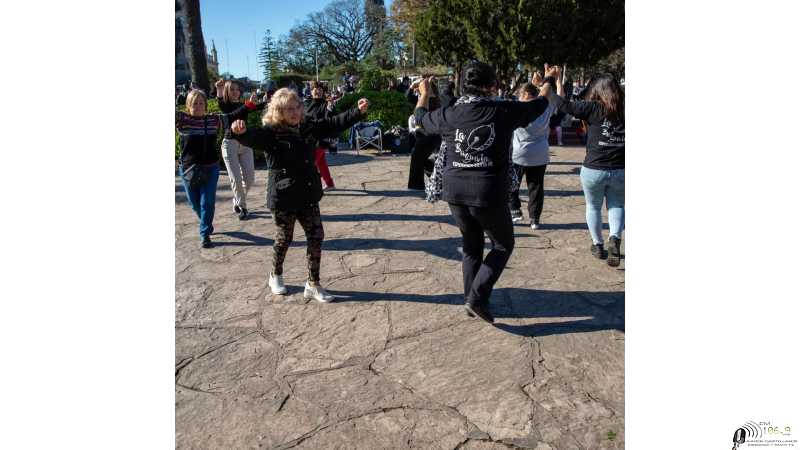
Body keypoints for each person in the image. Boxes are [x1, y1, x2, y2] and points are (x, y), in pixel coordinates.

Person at [415, 62, 560, 324]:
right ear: (492, 86)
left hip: (454, 189)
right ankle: (477, 298)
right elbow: (540, 104)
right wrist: (549, 78)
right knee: (503, 244)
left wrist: (424, 93)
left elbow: (421, 120)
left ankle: (471, 298)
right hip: (487, 191)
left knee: (471, 245)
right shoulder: (503, 109)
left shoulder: (450, 114)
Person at [229, 89, 370, 302]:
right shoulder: (271, 133)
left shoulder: (308, 127)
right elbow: (251, 136)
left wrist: (357, 112)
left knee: (316, 235)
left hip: (307, 193)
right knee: (284, 238)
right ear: (278, 111)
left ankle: (313, 284)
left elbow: (332, 123)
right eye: (288, 109)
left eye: (297, 107)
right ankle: (275, 274)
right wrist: (238, 131)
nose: (294, 112)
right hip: (283, 196)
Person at [176, 89, 259, 248]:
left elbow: (233, 115)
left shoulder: (213, 120)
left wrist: (249, 104)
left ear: (206, 105)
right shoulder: (182, 119)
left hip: (210, 167)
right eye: (195, 103)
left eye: (201, 103)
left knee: (207, 202)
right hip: (188, 170)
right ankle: (206, 223)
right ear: (188, 105)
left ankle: (205, 233)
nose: (198, 106)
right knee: (194, 204)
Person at [558, 74, 625, 266]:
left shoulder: (594, 108)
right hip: (621, 169)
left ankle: (598, 244)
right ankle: (614, 238)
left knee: (593, 206)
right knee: (617, 206)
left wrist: (549, 89)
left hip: (593, 169)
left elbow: (565, 106)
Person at [509, 72, 562, 229]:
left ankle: (515, 210)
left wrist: (538, 86)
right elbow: (559, 98)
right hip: (540, 153)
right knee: (536, 187)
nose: (518, 97)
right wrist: (553, 81)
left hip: (519, 154)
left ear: (525, 94)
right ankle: (535, 219)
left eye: (520, 94)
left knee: (511, 184)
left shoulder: (517, 109)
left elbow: (509, 97)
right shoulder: (545, 109)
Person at [214, 79, 266, 220]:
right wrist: (219, 89)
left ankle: (237, 199)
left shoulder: (243, 105)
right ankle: (243, 207)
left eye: (237, 89)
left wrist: (270, 101)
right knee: (236, 179)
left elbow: (255, 107)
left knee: (249, 179)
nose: (236, 92)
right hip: (230, 144)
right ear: (226, 91)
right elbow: (233, 112)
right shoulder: (224, 105)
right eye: (232, 89)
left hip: (245, 144)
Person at [406, 77, 443, 190]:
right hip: (422, 133)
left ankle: (416, 186)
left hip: (430, 133)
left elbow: (422, 115)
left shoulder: (432, 98)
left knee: (417, 157)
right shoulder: (422, 97)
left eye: (421, 87)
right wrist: (412, 85)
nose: (418, 90)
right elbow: (408, 97)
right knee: (421, 158)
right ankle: (437, 177)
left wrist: (425, 91)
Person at [304, 81, 337, 190]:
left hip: (321, 139)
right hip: (310, 138)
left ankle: (306, 186)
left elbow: (330, 119)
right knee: (321, 162)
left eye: (320, 90)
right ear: (311, 91)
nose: (317, 92)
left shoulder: (325, 104)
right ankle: (329, 183)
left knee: (310, 163)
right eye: (315, 89)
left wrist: (330, 108)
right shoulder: (307, 103)